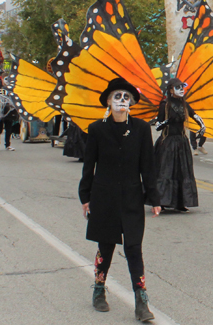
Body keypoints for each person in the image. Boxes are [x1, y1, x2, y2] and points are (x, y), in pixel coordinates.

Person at [78, 77, 161, 321]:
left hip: (131, 197)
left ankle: (141, 301)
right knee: (106, 246)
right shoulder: (97, 129)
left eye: (126, 97)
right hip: (104, 197)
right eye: (117, 96)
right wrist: (86, 197)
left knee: (134, 248)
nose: (122, 101)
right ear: (108, 101)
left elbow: (148, 166)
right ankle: (99, 290)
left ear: (132, 102)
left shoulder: (142, 129)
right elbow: (89, 165)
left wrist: (154, 197)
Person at [154, 78, 205, 212]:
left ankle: (181, 202)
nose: (181, 89)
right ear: (171, 90)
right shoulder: (164, 105)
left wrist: (202, 125)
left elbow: (195, 115)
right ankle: (163, 201)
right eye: (178, 87)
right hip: (168, 142)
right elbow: (158, 126)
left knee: (182, 171)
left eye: (182, 87)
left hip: (181, 142)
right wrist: (166, 122)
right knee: (167, 171)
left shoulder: (184, 104)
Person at [0, 74, 19, 152]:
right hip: (0, 112)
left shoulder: (11, 89)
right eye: (5, 79)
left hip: (9, 112)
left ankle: (8, 145)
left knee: (8, 129)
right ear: (2, 79)